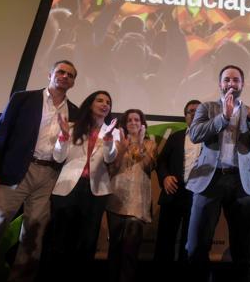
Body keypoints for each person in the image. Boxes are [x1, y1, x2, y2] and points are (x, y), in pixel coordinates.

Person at [0, 60, 79, 282]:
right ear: (50, 74)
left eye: (70, 75)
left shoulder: (74, 111)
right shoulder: (23, 98)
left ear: (74, 82)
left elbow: (66, 151)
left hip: (49, 177)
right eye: (61, 72)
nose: (65, 76)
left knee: (33, 240)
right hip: (16, 171)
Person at [186, 64, 250, 282]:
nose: (231, 84)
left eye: (235, 80)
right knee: (196, 246)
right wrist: (223, 117)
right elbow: (195, 134)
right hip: (209, 180)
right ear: (220, 84)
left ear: (242, 84)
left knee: (243, 250)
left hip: (241, 182)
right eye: (227, 80)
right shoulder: (207, 107)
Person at [43, 91, 118, 281]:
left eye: (108, 102)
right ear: (90, 104)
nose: (104, 104)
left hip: (96, 189)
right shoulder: (72, 126)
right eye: (100, 100)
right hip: (69, 186)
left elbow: (110, 159)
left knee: (87, 240)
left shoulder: (113, 131)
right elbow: (59, 157)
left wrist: (109, 141)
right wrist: (63, 138)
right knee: (60, 238)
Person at [106, 109, 156, 282]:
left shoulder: (150, 143)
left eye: (137, 120)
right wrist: (121, 149)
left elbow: (148, 167)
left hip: (138, 201)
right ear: (124, 124)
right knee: (115, 247)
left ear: (142, 124)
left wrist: (140, 143)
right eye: (129, 120)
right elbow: (111, 169)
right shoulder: (117, 141)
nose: (133, 123)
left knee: (130, 249)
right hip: (116, 198)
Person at [154, 100, 201, 268]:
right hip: (173, 192)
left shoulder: (212, 139)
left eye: (198, 111)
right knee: (165, 240)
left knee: (190, 243)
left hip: (198, 196)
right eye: (190, 111)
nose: (194, 114)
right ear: (185, 116)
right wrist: (165, 177)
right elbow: (161, 162)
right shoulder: (175, 137)